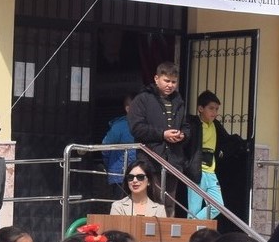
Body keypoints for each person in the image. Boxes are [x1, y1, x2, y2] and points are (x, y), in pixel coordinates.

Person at [127, 63, 190, 208]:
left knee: (170, 204)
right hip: (150, 160)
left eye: (173, 82)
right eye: (166, 81)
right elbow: (136, 128)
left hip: (173, 160)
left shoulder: (178, 101)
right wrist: (162, 134)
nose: (170, 85)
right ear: (156, 79)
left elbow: (186, 125)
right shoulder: (143, 99)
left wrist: (182, 135)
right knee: (152, 203)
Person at [185, 90, 241, 220]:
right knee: (194, 209)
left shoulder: (216, 125)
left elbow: (228, 140)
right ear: (200, 108)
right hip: (196, 172)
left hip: (211, 173)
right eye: (211, 108)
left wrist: (222, 152)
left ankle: (193, 224)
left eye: (216, 109)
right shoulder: (193, 124)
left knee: (218, 206)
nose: (214, 112)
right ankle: (193, 227)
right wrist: (187, 165)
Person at [100, 96, 137, 198]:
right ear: (128, 109)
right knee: (122, 201)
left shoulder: (146, 126)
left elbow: (105, 149)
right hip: (120, 173)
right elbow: (105, 147)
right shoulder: (119, 126)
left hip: (126, 172)